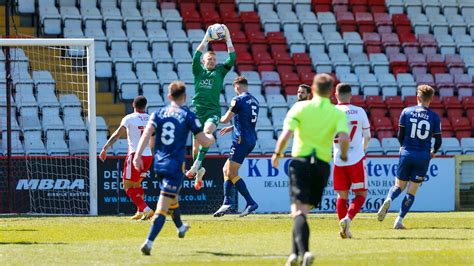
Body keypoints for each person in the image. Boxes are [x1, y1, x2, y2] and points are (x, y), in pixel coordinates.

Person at [271, 74, 350, 266]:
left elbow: (286, 135)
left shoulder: (300, 107)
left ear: (312, 90)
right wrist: (345, 155)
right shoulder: (337, 112)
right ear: (331, 92)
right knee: (303, 211)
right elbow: (344, 138)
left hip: (300, 162)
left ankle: (304, 252)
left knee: (298, 212)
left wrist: (277, 154)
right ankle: (293, 255)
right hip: (322, 165)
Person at [134, 81, 215, 256]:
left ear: (169, 96)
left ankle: (180, 227)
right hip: (174, 166)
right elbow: (204, 141)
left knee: (172, 198)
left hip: (158, 164)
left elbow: (147, 134)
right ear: (184, 97)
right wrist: (210, 137)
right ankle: (148, 243)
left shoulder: (158, 113)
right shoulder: (188, 115)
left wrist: (138, 155)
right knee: (163, 206)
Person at [377, 85, 442, 229]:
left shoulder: (406, 111)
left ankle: (389, 198)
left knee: (398, 185)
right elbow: (438, 141)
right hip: (423, 156)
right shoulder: (434, 117)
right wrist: (434, 151)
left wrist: (402, 146)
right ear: (431, 99)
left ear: (417, 97)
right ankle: (398, 220)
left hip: (406, 153)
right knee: (412, 191)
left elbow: (400, 135)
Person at [186, 24, 236, 191]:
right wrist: (205, 39)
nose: (213, 61)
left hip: (212, 113)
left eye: (214, 59)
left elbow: (232, 59)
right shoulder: (198, 71)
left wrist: (228, 38)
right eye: (210, 59)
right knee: (194, 148)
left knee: (207, 133)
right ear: (204, 61)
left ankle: (195, 167)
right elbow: (196, 56)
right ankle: (200, 171)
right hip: (197, 112)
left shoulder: (220, 71)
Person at [99, 96, 154, 220]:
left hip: (135, 155)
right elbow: (153, 139)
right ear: (145, 106)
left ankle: (146, 209)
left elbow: (117, 134)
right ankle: (140, 211)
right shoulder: (151, 119)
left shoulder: (129, 118)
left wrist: (105, 147)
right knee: (137, 184)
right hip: (148, 156)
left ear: (133, 104)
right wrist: (150, 154)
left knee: (127, 186)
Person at [212, 76, 259, 218]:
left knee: (231, 172)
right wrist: (232, 127)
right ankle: (227, 201)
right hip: (250, 139)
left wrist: (213, 116)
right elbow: (248, 121)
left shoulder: (237, 100)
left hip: (241, 141)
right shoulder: (255, 101)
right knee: (226, 169)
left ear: (237, 87)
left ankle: (250, 202)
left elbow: (224, 119)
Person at [332, 83, 371, 239]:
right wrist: (362, 148)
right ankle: (348, 219)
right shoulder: (360, 111)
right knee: (361, 194)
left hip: (338, 159)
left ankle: (344, 228)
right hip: (356, 159)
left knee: (342, 197)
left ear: (336, 95)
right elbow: (367, 136)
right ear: (351, 95)